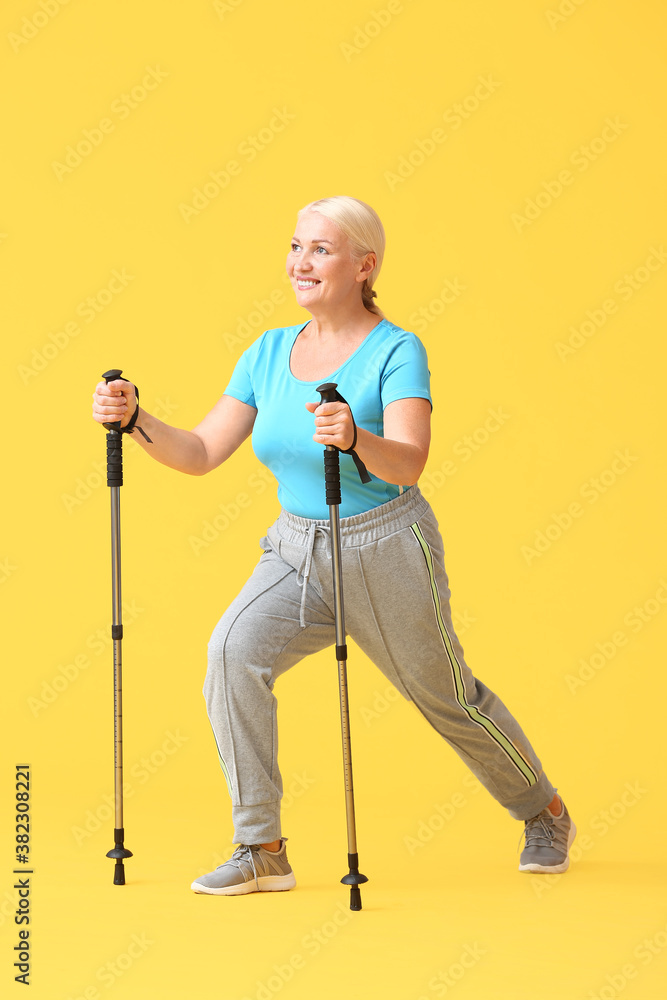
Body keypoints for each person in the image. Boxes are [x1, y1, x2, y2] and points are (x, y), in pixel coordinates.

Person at [92, 195, 576, 896]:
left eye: (320, 249)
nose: (300, 261)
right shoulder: (266, 351)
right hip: (295, 547)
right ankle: (261, 846)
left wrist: (355, 437)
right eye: (295, 246)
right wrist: (136, 418)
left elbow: (408, 462)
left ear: (362, 265)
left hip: (386, 547)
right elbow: (198, 453)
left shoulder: (396, 349)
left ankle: (543, 810)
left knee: (445, 697)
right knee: (231, 653)